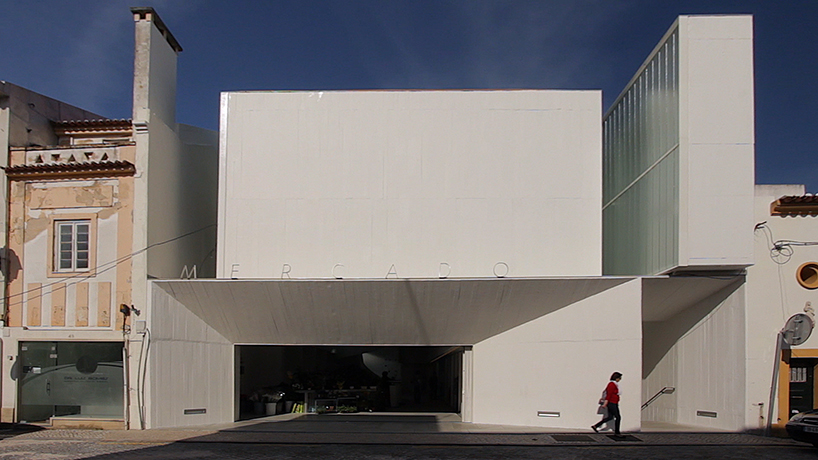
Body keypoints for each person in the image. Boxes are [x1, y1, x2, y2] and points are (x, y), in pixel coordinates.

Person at [592, 372, 622, 436]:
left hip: (613, 402)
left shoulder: (614, 384)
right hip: (612, 403)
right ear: (616, 378)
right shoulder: (612, 384)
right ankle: (617, 432)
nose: (620, 379)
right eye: (619, 378)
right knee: (618, 417)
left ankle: (595, 426)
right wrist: (606, 403)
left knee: (610, 417)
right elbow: (609, 394)